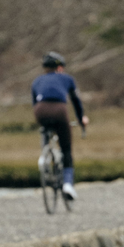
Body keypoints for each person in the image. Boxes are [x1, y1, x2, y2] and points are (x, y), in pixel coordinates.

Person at [31, 51, 88, 201]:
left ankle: (44, 154)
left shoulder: (37, 81)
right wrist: (81, 118)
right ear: (60, 67)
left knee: (45, 129)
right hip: (59, 110)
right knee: (66, 148)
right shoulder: (67, 78)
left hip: (40, 111)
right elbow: (76, 101)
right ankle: (68, 184)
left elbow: (34, 103)